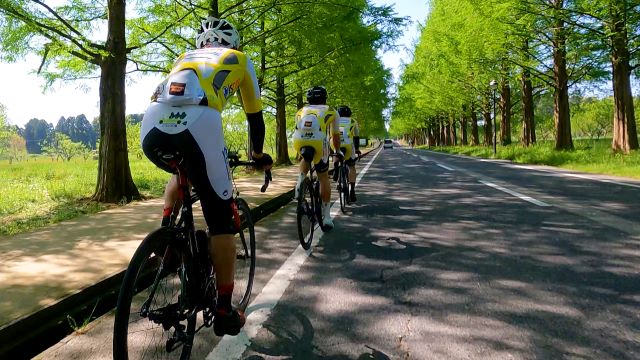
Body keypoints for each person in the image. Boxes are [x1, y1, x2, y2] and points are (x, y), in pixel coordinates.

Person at [140, 17, 272, 337]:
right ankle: (225, 310)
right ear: (233, 43)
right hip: (199, 122)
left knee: (182, 169)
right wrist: (257, 155)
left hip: (152, 125)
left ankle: (168, 235)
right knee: (221, 222)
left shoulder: (183, 58)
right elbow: (254, 117)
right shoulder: (239, 59)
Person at [292, 86, 342, 229]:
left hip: (299, 141)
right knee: (323, 177)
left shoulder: (300, 110)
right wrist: (337, 151)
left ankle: (300, 182)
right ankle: (326, 217)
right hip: (319, 141)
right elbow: (335, 136)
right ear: (325, 98)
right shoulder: (331, 110)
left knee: (305, 158)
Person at [333, 105, 360, 203]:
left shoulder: (334, 120)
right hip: (348, 145)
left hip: (335, 143)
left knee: (336, 150)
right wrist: (357, 149)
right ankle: (352, 191)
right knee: (352, 167)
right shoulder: (353, 121)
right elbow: (356, 137)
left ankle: (336, 167)